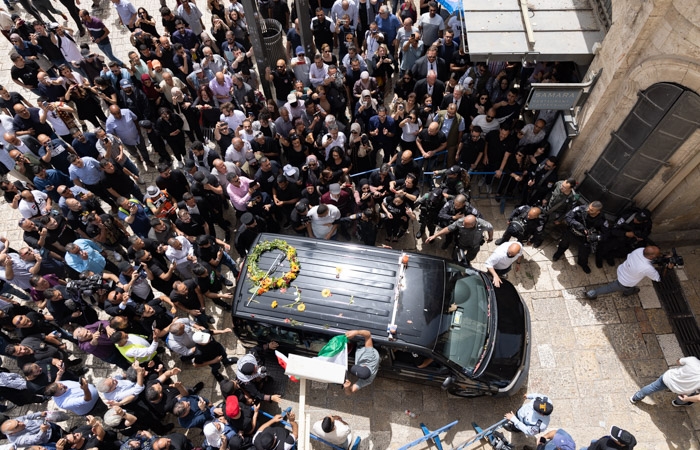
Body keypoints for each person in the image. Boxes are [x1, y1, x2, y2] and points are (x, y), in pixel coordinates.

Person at [586, 246, 667, 300]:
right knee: (610, 288)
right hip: (625, 282)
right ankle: (592, 293)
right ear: (651, 257)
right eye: (657, 254)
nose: (659, 255)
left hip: (622, 270)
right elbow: (658, 278)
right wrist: (667, 267)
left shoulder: (640, 250)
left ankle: (628, 291)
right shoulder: (647, 268)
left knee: (629, 287)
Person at [552, 201, 609, 274]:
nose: (588, 210)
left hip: (585, 238)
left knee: (584, 254)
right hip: (572, 232)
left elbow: (606, 234)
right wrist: (578, 225)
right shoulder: (581, 209)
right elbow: (568, 217)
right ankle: (559, 252)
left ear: (598, 212)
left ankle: (582, 263)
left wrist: (594, 237)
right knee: (563, 243)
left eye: (591, 210)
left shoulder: (602, 220)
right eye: (589, 207)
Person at [630, 356, 700, 406]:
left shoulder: (693, 360)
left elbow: (678, 361)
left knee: (652, 387)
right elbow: (698, 398)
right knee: (689, 396)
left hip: (668, 379)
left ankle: (635, 398)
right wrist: (687, 399)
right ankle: (676, 403)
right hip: (682, 390)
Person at [426, 215, 493, 264]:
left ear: (472, 225)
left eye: (465, 224)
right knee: (455, 256)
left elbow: (490, 229)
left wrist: (490, 238)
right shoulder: (460, 222)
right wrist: (435, 235)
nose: (463, 224)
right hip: (462, 244)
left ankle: (467, 261)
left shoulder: (483, 225)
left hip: (474, 246)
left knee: (470, 257)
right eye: (463, 222)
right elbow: (448, 228)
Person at [343, 329, 379, 394]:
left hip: (359, 350)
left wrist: (347, 388)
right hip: (364, 345)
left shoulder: (367, 380)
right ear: (365, 365)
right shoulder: (370, 357)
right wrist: (355, 332)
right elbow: (368, 334)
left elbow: (350, 392)